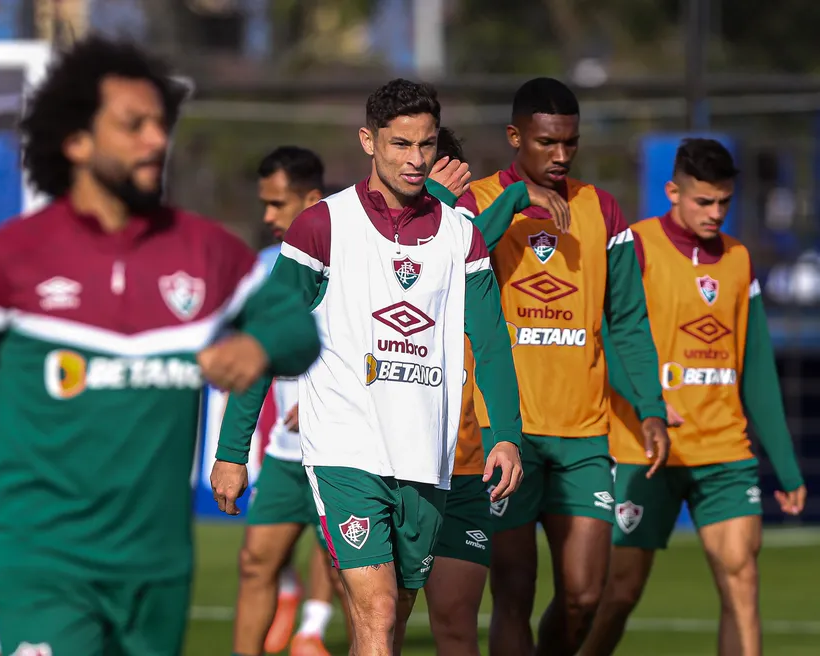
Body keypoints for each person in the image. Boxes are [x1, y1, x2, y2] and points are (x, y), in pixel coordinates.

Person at [0, 36, 321, 656]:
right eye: (133, 125)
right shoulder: (4, 261)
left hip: (156, 573)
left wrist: (261, 347)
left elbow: (298, 330)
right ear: (76, 142)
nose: (156, 140)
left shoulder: (207, 253)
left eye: (161, 123)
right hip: (41, 567)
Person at [211, 78, 535, 656]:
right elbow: (267, 337)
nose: (415, 160)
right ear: (368, 141)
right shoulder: (323, 225)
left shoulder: (462, 237)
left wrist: (505, 436)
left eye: (426, 145)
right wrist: (233, 452)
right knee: (378, 610)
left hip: (426, 458)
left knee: (390, 617)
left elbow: (490, 343)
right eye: (400, 145)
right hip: (344, 451)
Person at [455, 77, 670, 656]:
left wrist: (650, 408)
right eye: (547, 142)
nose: (560, 155)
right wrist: (515, 203)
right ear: (514, 136)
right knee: (514, 592)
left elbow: (627, 319)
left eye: (569, 143)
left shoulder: (601, 209)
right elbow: (452, 263)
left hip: (583, 436)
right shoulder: (477, 201)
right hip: (507, 432)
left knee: (584, 595)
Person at [581, 138, 808, 656]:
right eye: (703, 201)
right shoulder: (634, 246)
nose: (715, 213)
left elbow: (757, 371)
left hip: (724, 451)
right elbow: (605, 335)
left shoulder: (739, 259)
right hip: (645, 451)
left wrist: (787, 467)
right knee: (618, 593)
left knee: (741, 584)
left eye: (724, 202)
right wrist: (650, 404)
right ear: (672, 191)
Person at [423, 127, 568, 656]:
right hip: (386, 466)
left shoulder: (470, 234)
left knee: (458, 625)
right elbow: (417, 269)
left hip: (462, 461)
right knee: (380, 623)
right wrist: (512, 196)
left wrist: (505, 436)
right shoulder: (369, 238)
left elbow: (463, 254)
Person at [233, 146, 349, 656]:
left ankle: (311, 631)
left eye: (278, 204)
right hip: (285, 451)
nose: (268, 216)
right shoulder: (262, 268)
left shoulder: (356, 262)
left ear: (313, 200)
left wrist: (332, 394)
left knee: (354, 578)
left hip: (347, 450)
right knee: (257, 560)